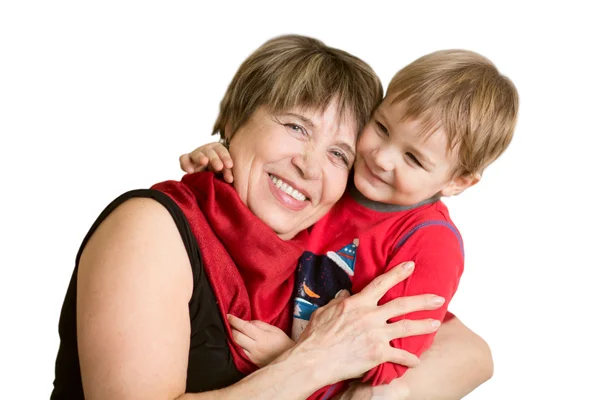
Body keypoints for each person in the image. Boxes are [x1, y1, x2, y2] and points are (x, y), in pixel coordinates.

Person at [52, 34, 493, 400]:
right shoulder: (151, 228)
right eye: (297, 127)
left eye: (339, 154)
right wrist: (312, 361)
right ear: (237, 118)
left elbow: (470, 352)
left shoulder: (315, 255)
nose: (310, 166)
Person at [180, 47, 518, 398]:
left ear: (457, 182)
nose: (381, 158)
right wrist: (222, 158)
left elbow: (392, 361)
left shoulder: (430, 242)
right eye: (383, 128)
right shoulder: (340, 181)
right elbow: (251, 221)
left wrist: (292, 357)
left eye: (413, 158)